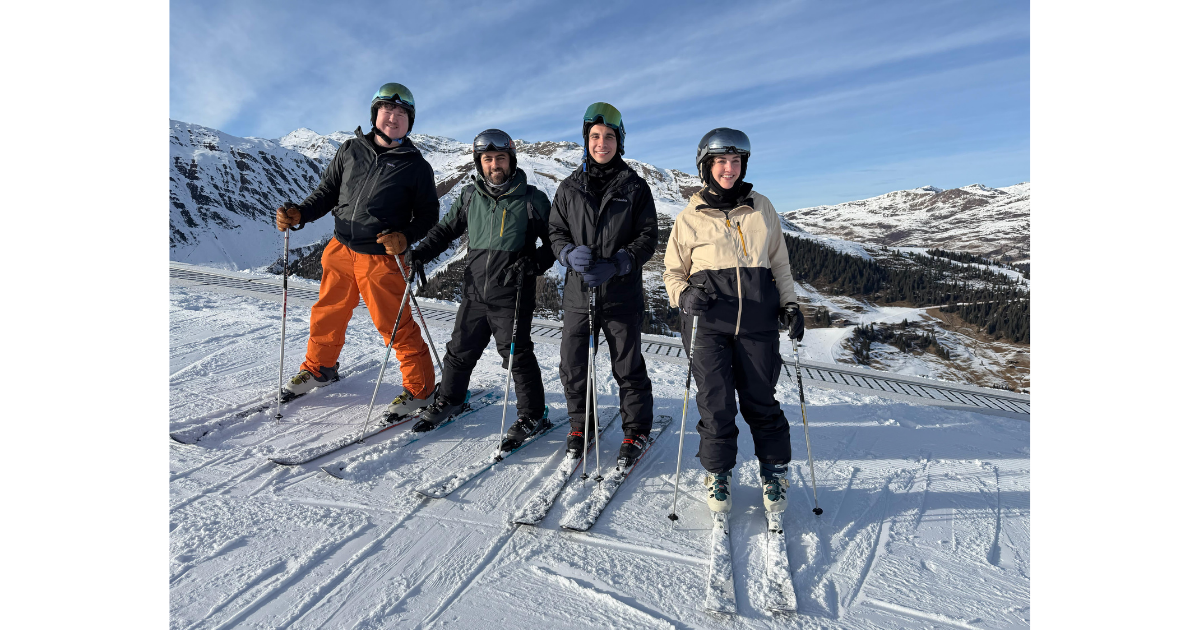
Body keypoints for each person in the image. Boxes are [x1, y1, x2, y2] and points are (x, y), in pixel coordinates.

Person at [662, 128, 805, 514]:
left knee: (761, 399)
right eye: (721, 162)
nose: (729, 169)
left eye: (736, 161)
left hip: (757, 321)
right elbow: (672, 273)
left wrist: (790, 305)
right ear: (706, 166)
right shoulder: (689, 217)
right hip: (707, 325)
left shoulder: (762, 208)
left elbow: (779, 263)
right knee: (716, 403)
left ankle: (774, 470)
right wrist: (684, 295)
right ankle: (718, 472)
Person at [274, 83, 439, 417]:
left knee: (394, 326)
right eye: (387, 110)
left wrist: (405, 238)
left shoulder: (416, 166)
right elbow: (327, 192)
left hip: (380, 257)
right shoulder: (351, 149)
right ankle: (320, 368)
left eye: (402, 114)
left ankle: (421, 390)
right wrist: (301, 214)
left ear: (410, 122)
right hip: (339, 249)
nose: (393, 117)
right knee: (327, 313)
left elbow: (428, 216)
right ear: (375, 115)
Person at [408, 130, 556, 439]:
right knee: (459, 349)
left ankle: (533, 415)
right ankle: (450, 399)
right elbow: (445, 231)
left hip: (512, 293)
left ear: (510, 161)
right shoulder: (470, 196)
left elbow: (556, 242)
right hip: (475, 290)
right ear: (479, 163)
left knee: (516, 355)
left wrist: (534, 262)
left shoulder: (532, 199)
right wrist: (421, 252)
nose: (494, 165)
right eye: (487, 159)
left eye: (500, 158)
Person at [549, 102, 658, 467]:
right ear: (586, 140)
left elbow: (647, 237)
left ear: (619, 141)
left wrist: (619, 263)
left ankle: (637, 429)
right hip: (579, 296)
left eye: (608, 137)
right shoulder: (568, 187)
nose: (601, 143)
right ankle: (581, 425)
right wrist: (566, 254)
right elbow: (555, 231)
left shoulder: (635, 187)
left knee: (627, 366)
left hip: (621, 295)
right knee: (574, 364)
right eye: (595, 136)